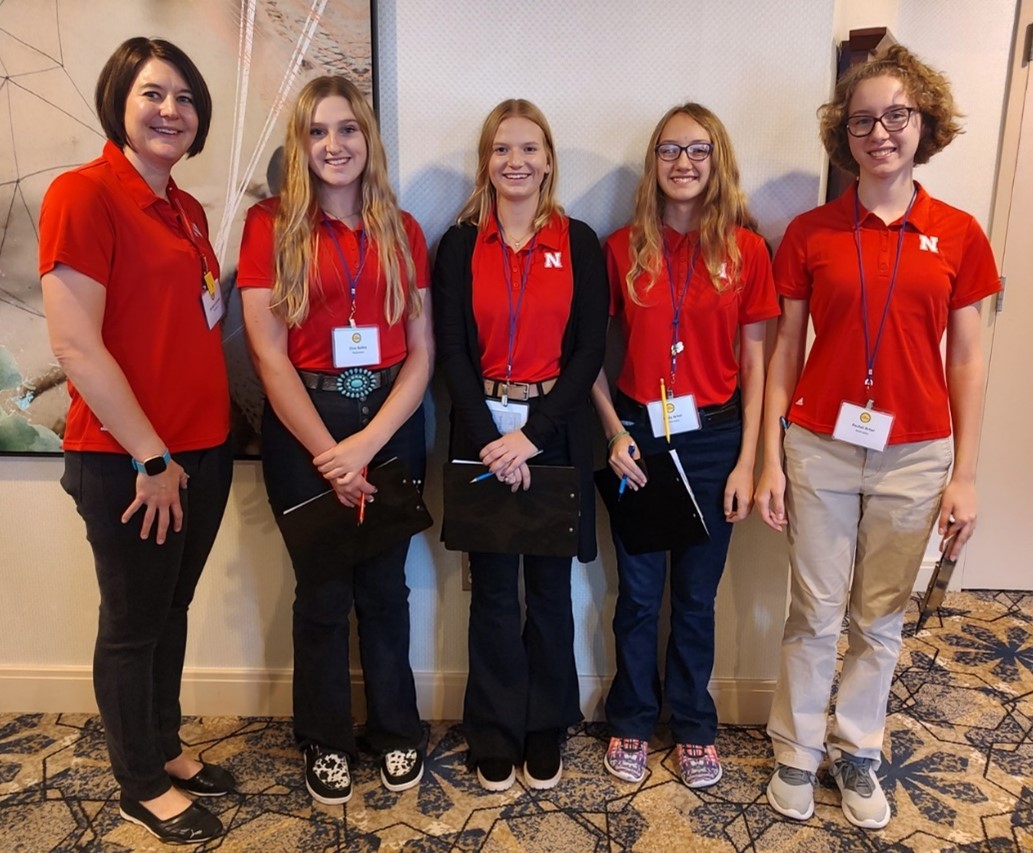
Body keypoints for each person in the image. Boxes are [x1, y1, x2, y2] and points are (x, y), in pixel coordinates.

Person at [755, 44, 1001, 829]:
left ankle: (856, 746)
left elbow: (965, 357)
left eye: (896, 115)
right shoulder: (811, 231)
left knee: (879, 615)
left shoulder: (957, 233)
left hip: (917, 451)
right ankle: (796, 748)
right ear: (844, 133)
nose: (879, 132)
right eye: (863, 120)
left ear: (922, 122)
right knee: (815, 610)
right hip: (819, 444)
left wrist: (964, 472)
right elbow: (783, 351)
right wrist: (769, 457)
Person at [39, 37, 233, 844]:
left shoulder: (185, 209)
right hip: (131, 460)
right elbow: (76, 344)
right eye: (154, 93)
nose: (171, 111)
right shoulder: (82, 195)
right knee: (130, 622)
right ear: (119, 97)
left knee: (171, 607)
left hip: (202, 451)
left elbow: (196, 320)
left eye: (185, 98)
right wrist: (151, 454)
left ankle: (162, 742)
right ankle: (138, 781)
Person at [237, 75, 432, 805]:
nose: (334, 144)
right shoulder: (270, 226)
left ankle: (396, 730)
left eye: (347, 129)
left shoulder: (402, 228)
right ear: (301, 143)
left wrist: (369, 443)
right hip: (302, 431)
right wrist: (330, 452)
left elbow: (420, 352)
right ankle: (322, 738)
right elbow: (267, 352)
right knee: (321, 594)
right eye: (319, 131)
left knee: (386, 590)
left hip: (389, 424)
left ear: (367, 139)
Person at [593, 103, 777, 789]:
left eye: (698, 150)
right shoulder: (620, 249)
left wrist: (748, 462)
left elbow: (757, 365)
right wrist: (612, 431)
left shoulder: (746, 251)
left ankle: (694, 725)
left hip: (714, 439)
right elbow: (586, 354)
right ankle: (633, 719)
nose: (683, 163)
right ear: (653, 162)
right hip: (638, 438)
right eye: (669, 150)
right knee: (639, 597)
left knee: (696, 599)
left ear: (717, 160)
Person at [433, 99, 607, 791]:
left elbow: (589, 351)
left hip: (555, 435)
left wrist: (530, 437)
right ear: (487, 161)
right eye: (502, 149)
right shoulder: (456, 245)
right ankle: (495, 728)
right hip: (480, 432)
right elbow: (449, 352)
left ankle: (545, 723)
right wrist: (490, 441)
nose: (516, 161)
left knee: (551, 591)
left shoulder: (581, 241)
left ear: (548, 159)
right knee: (494, 593)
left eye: (529, 148)